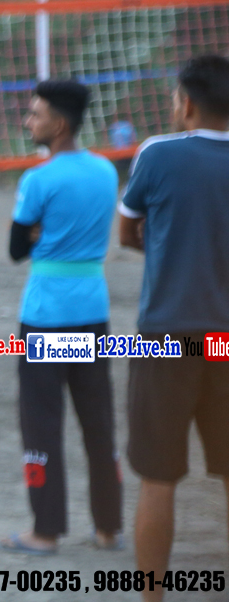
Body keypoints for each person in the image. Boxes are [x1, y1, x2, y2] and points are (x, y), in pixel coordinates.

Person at [0, 80, 122, 556]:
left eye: (36, 114)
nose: (28, 121)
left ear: (60, 123)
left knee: (42, 424)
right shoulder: (105, 172)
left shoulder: (38, 179)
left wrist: (38, 235)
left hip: (46, 316)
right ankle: (108, 527)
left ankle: (45, 532)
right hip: (93, 309)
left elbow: (14, 249)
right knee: (98, 421)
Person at [118, 54, 229, 602]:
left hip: (167, 338)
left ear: (186, 103)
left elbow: (127, 232)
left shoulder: (158, 153)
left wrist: (171, 250)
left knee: (157, 479)